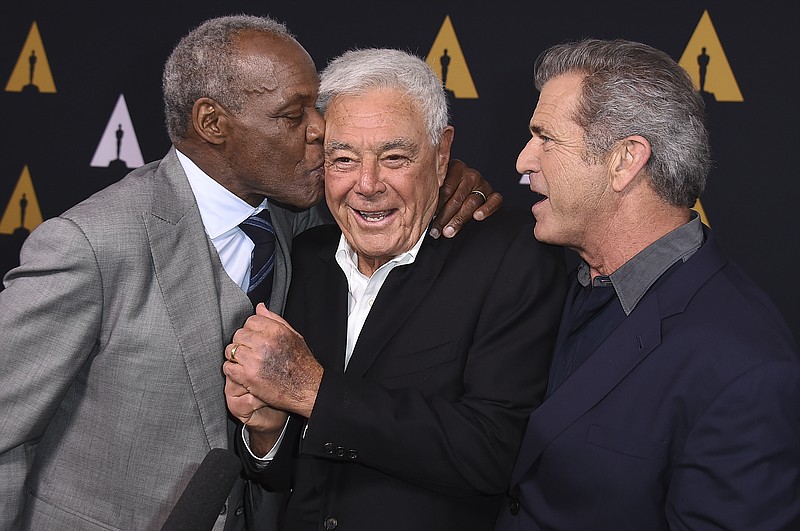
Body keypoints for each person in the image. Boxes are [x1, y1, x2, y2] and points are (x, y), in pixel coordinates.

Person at [0, 15, 500, 531]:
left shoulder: (303, 216)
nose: (321, 130)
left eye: (317, 107)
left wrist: (449, 178)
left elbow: (395, 189)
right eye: (293, 115)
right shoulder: (91, 245)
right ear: (212, 124)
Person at [221, 48, 567, 530]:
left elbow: (496, 452)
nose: (366, 184)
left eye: (394, 158)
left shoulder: (514, 259)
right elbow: (283, 478)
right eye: (343, 159)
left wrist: (313, 391)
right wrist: (267, 432)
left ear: (442, 154)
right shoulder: (304, 257)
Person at [495, 38, 800, 530]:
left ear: (625, 160)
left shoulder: (744, 368)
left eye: (546, 139)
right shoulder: (555, 279)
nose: (523, 161)